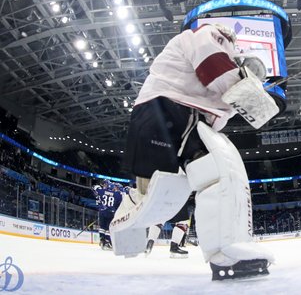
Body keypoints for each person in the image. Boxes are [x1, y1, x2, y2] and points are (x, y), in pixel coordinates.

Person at [111, 23, 278, 280]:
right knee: (160, 188)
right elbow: (211, 62)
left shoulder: (228, 81)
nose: (253, 81)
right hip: (164, 108)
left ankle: (228, 251)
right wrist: (250, 91)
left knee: (216, 175)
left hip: (187, 118)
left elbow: (223, 106)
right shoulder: (211, 37)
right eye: (251, 75)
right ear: (240, 63)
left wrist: (248, 93)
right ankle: (125, 222)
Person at [92, 180, 123, 250]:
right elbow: (120, 202)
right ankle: (107, 242)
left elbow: (94, 187)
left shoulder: (102, 191)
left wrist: (97, 195)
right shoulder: (117, 194)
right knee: (108, 228)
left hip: (102, 212)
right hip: (111, 213)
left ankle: (102, 240)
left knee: (102, 227)